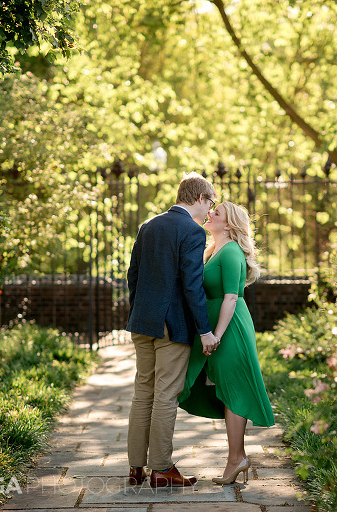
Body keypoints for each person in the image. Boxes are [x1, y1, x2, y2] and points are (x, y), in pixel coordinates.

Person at [125, 172, 220, 488]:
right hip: (171, 326)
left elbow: (133, 276)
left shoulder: (148, 225)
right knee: (165, 394)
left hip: (142, 322)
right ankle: (163, 469)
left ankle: (136, 468)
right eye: (210, 203)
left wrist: (140, 312)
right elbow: (192, 286)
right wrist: (204, 330)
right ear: (198, 198)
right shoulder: (192, 232)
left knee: (144, 392)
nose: (210, 212)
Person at [178, 201, 275, 485]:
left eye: (216, 212)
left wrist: (217, 334)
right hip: (217, 328)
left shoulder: (231, 251)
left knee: (234, 387)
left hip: (230, 329)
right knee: (224, 386)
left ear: (229, 224)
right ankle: (237, 456)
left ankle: (237, 458)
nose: (209, 214)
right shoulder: (214, 250)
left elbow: (232, 297)